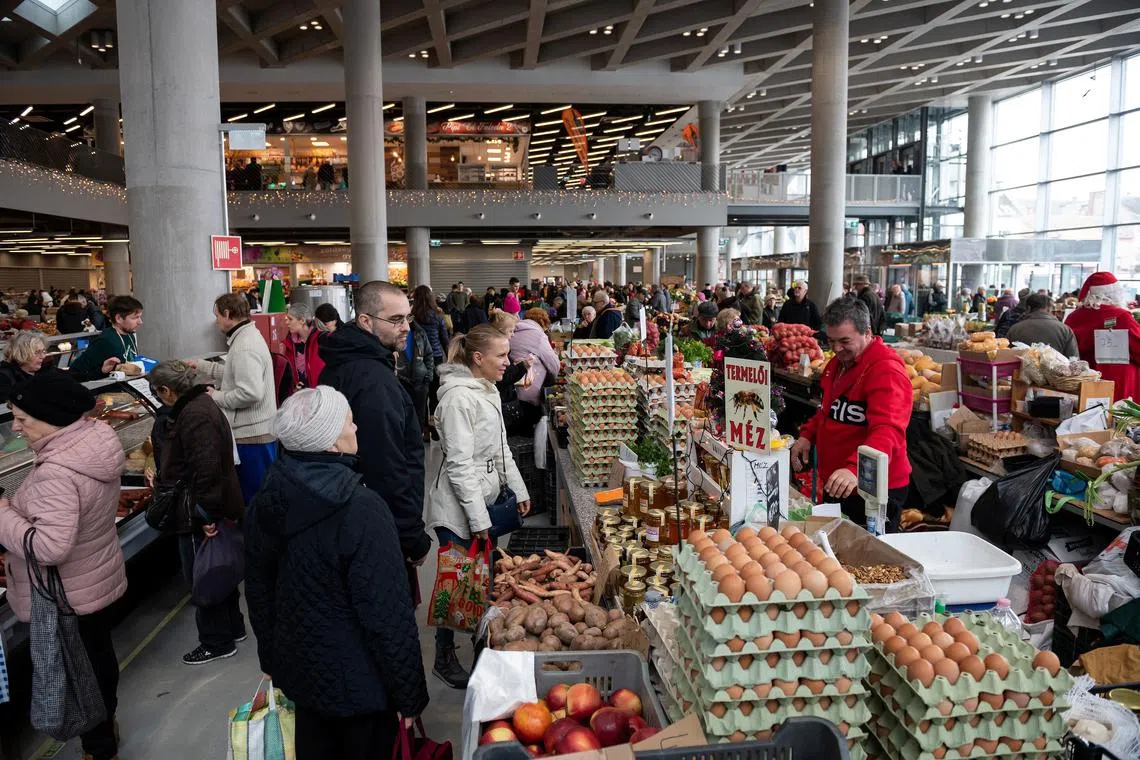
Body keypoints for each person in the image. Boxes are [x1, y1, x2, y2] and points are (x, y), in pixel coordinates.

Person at [245, 387, 429, 758]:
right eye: (348, 421)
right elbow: (386, 613)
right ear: (330, 444)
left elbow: (259, 587)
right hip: (362, 688)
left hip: (303, 679)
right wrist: (408, 695)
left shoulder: (268, 495)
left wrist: (273, 660)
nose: (356, 426)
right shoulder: (361, 509)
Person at [0, 371, 126, 760]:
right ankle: (106, 726)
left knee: (81, 673)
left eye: (23, 419)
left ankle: (99, 747)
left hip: (68, 593)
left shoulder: (56, 471)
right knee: (98, 659)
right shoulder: (92, 439)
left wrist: (2, 510)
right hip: (95, 577)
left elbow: (49, 547)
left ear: (52, 418)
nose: (16, 427)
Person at [427, 325, 531, 688]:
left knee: (480, 580)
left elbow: (501, 449)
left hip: (482, 499)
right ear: (478, 358)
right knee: (456, 585)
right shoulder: (458, 399)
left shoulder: (485, 390)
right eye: (501, 356)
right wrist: (478, 519)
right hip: (458, 510)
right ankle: (444, 655)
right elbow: (459, 465)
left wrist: (518, 489)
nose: (509, 362)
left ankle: (478, 643)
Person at [319, 281, 431, 566]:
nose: (406, 326)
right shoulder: (373, 381)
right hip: (378, 526)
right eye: (395, 319)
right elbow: (386, 464)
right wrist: (411, 535)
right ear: (366, 321)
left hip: (349, 514)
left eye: (407, 317)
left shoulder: (348, 360)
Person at [148, 361, 246, 665]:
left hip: (198, 511)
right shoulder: (200, 405)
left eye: (157, 393)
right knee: (221, 569)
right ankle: (232, 627)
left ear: (166, 390)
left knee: (204, 576)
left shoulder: (194, 415)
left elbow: (207, 468)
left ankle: (216, 641)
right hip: (210, 505)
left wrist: (206, 515)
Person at [790, 298, 912, 532]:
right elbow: (826, 411)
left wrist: (855, 469)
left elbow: (888, 431)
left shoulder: (885, 370)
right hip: (840, 482)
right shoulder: (837, 364)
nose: (836, 349)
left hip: (872, 488)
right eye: (831, 341)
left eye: (845, 341)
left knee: (867, 560)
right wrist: (807, 435)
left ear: (867, 333)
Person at [187, 294, 277, 503]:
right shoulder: (246, 337)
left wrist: (216, 396)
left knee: (255, 498)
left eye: (216, 315)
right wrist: (202, 366)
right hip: (258, 432)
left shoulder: (245, 345)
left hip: (252, 435)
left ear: (227, 314)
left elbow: (251, 392)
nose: (215, 320)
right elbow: (235, 372)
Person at [1065, 271, 1140, 401]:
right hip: (1117, 380)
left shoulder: (1073, 317)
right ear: (1115, 293)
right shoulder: (1121, 316)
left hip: (1083, 379)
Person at [68, 294, 144, 381]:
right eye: (135, 318)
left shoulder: (129, 334)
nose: (140, 322)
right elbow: (74, 372)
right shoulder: (105, 341)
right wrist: (102, 371)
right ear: (119, 318)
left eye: (140, 317)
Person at [512, 308, 560, 414]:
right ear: (542, 322)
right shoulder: (538, 335)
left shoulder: (514, 330)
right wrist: (552, 380)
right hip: (527, 390)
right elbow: (553, 364)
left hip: (510, 388)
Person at [397, 314, 434, 442]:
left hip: (420, 379)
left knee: (419, 413)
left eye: (409, 317)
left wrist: (428, 374)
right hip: (401, 380)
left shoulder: (419, 333)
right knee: (403, 412)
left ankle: (417, 440)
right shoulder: (394, 334)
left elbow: (429, 354)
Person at [1008, 294, 1079, 358]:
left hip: (1021, 372)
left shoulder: (1015, 329)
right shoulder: (1065, 330)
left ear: (1028, 308)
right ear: (1050, 309)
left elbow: (1007, 357)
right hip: (1056, 372)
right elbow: (1074, 359)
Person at [283, 303, 324, 388]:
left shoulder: (320, 340)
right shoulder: (289, 342)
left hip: (318, 392)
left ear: (302, 321)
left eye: (290, 319)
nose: (286, 322)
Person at [0, 330, 48, 403]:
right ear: (20, 354)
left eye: (43, 351)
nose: (43, 356)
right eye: (37, 352)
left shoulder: (46, 370)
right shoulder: (4, 378)